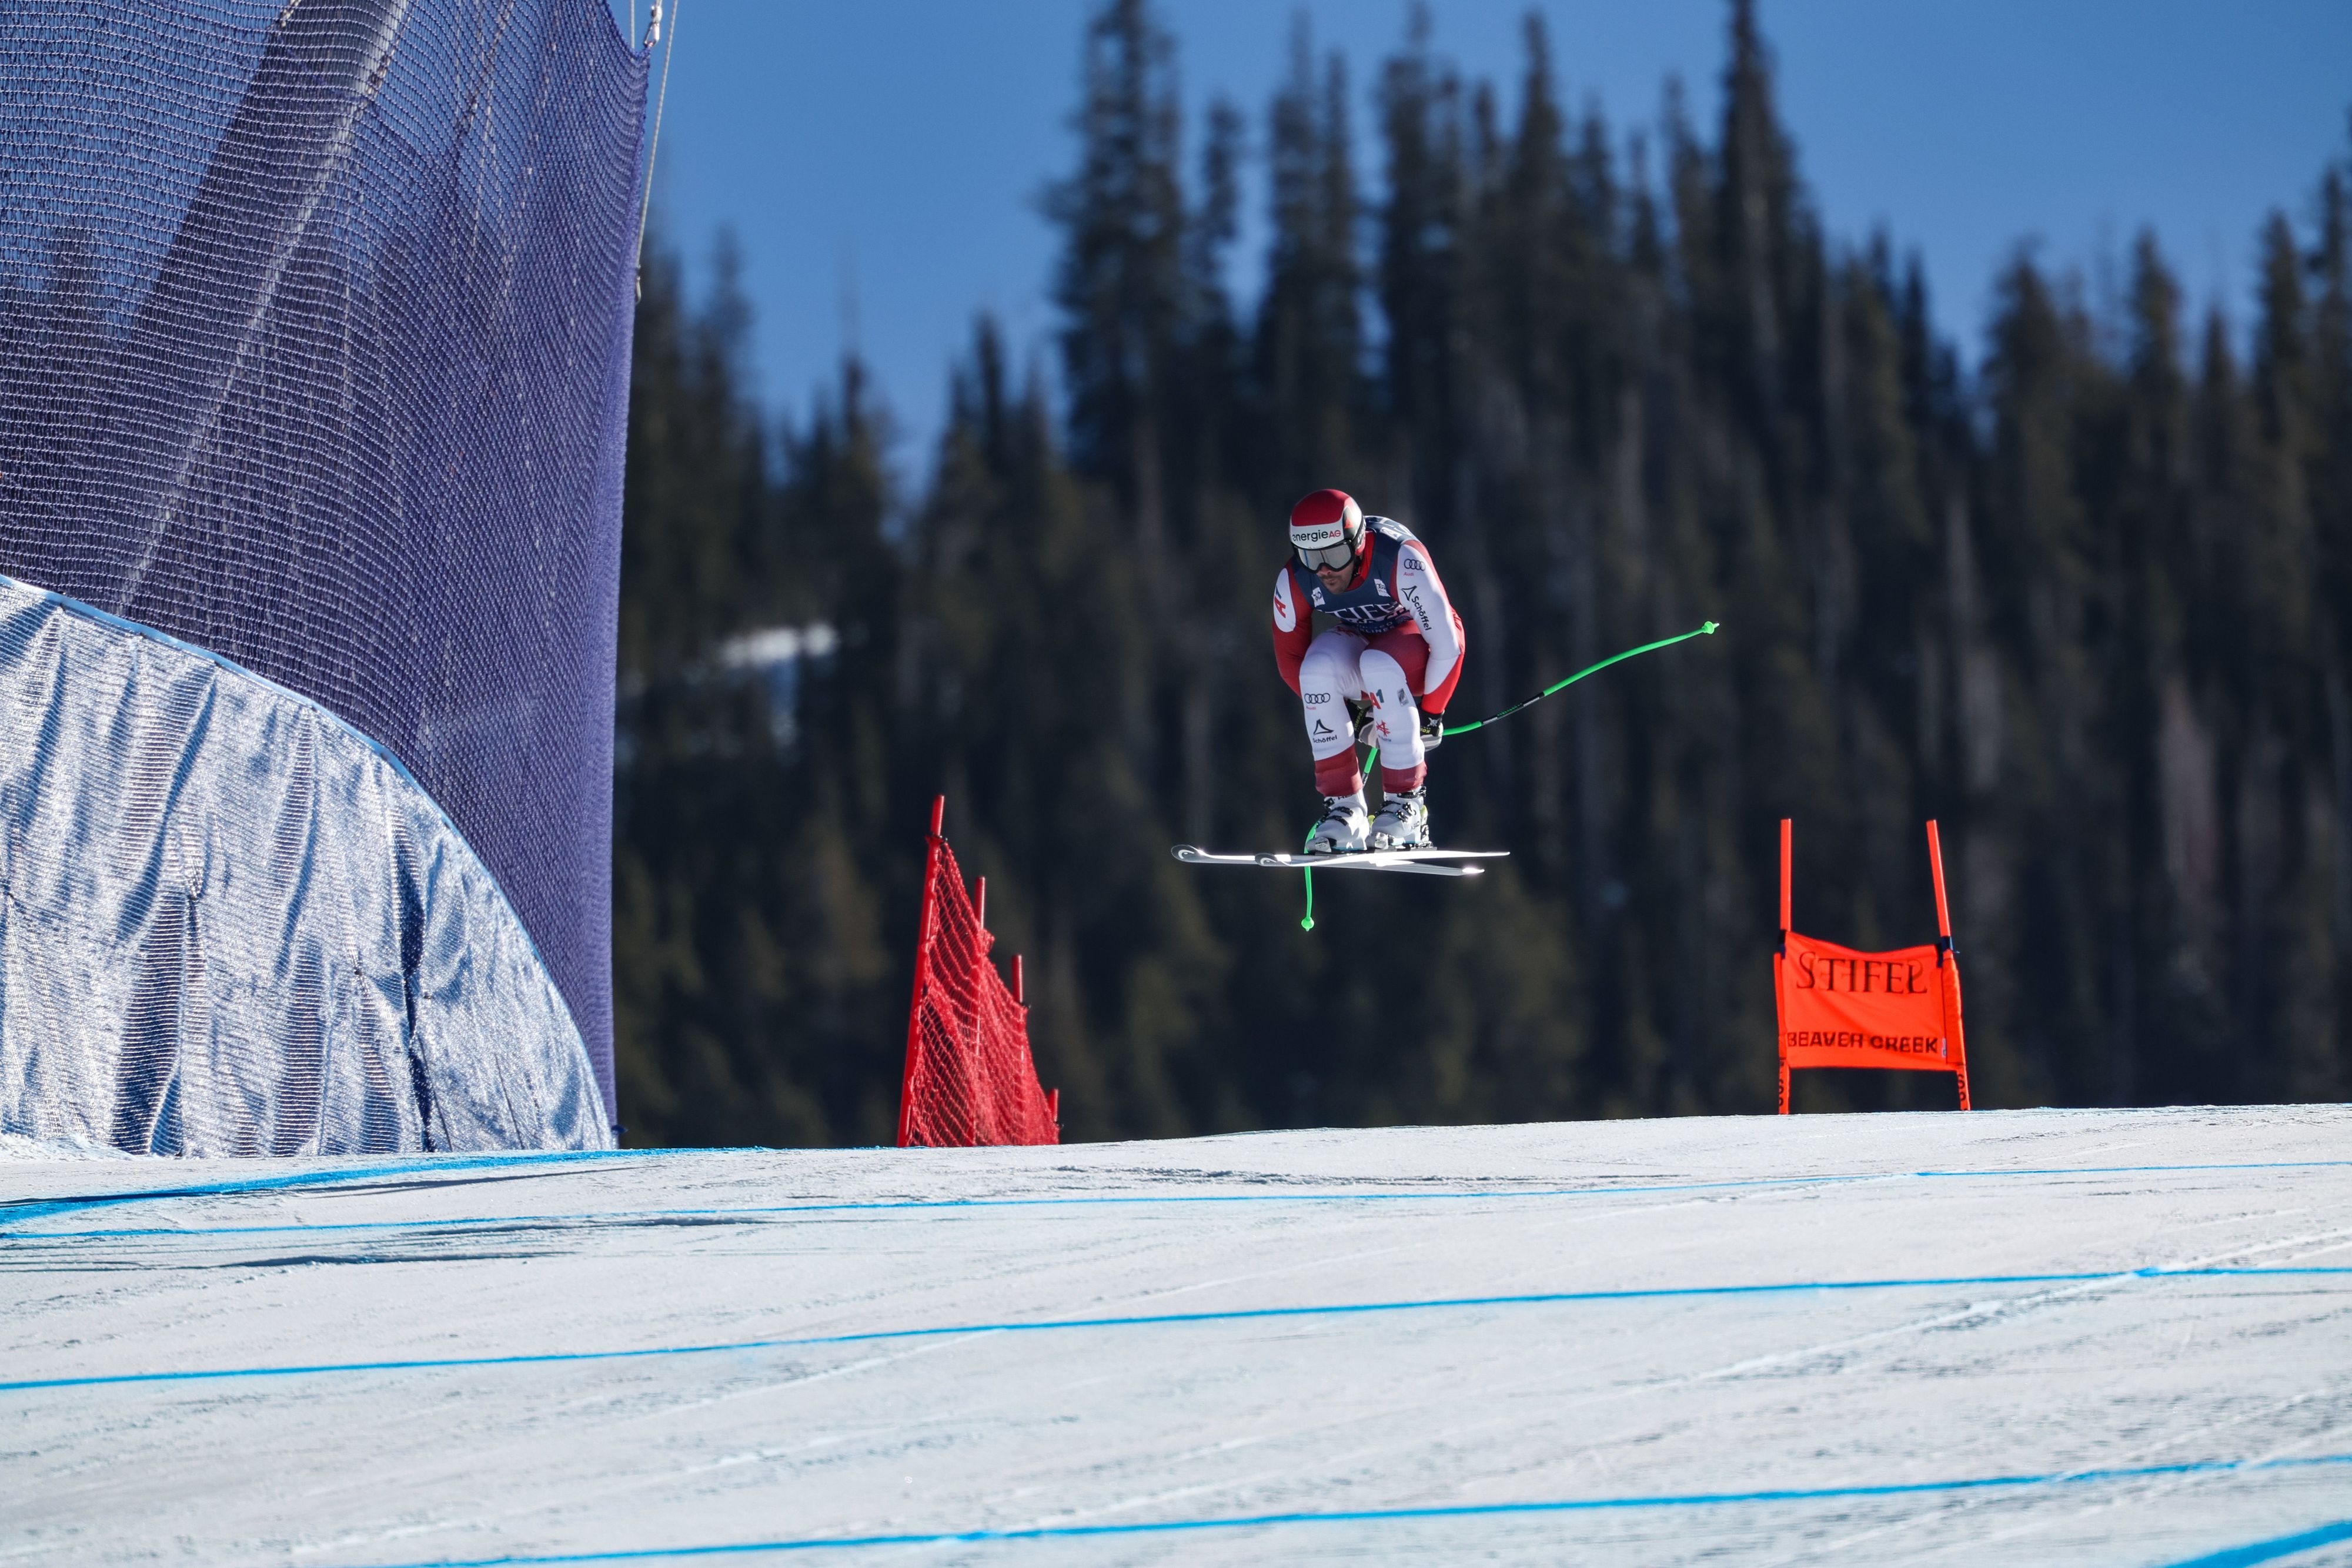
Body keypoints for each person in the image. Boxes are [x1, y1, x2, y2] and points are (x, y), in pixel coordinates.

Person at [1270, 489, 1465, 853]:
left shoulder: (1399, 560)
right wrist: (1352, 714)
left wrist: (1431, 713)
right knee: (1315, 671)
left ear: (1357, 543)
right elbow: (1290, 663)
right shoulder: (1297, 579)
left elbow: (1448, 643)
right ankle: (1345, 810)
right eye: (1311, 556)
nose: (1324, 569)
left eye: (1335, 554)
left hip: (1419, 646)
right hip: (1365, 641)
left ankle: (1407, 806)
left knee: (1379, 663)